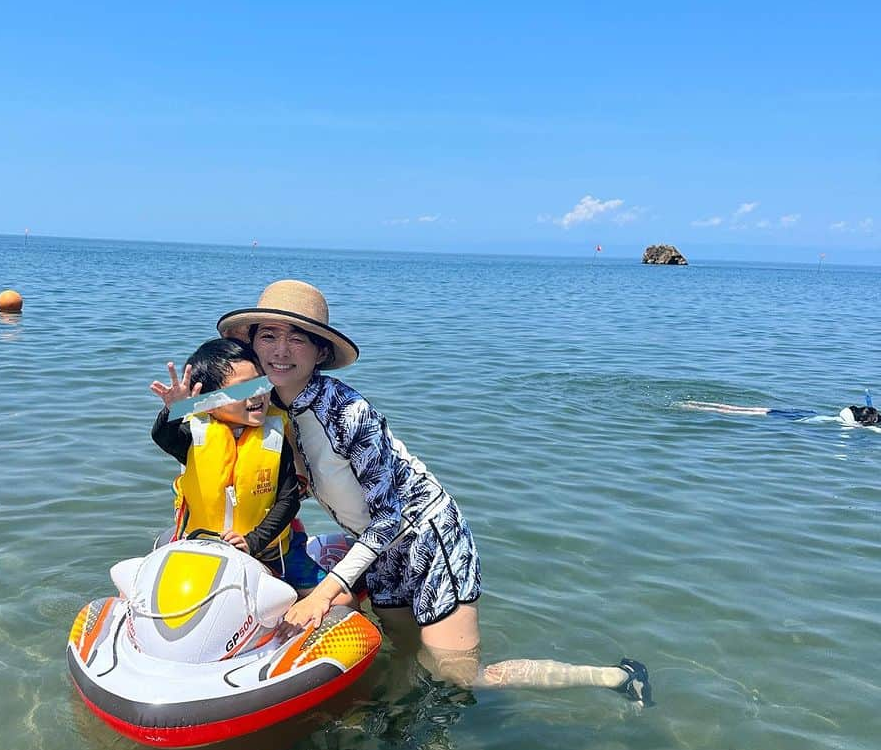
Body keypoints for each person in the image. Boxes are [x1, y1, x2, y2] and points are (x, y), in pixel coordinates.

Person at [216, 281, 651, 703]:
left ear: (321, 351)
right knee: (405, 653)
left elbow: (390, 515)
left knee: (459, 676)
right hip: (379, 549)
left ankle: (617, 677)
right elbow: (189, 417)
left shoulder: (348, 413)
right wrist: (175, 405)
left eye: (297, 339)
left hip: (429, 538)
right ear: (252, 345)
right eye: (268, 336)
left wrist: (327, 592)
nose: (280, 350)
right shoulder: (262, 401)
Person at [149, 337, 326, 592]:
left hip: (268, 548)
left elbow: (288, 502)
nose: (258, 394)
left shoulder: (274, 439)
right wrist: (175, 410)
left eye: (261, 383)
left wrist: (252, 542)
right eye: (242, 389)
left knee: (339, 599)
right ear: (208, 400)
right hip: (200, 545)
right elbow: (162, 436)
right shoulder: (194, 436)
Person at [681, 398, 879, 426]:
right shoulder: (851, 424)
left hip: (801, 411)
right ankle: (692, 406)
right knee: (736, 412)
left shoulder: (846, 415)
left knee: (736, 408)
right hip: (803, 415)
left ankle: (696, 403)